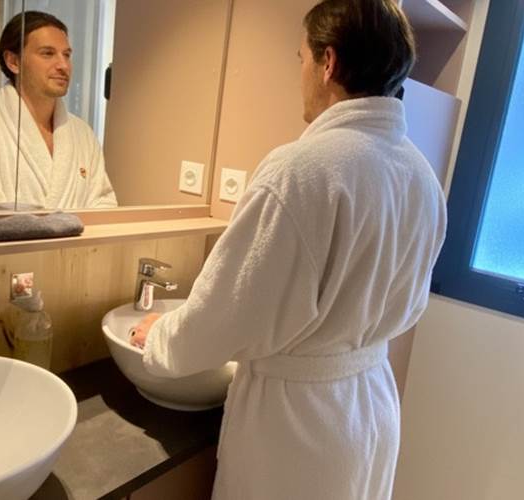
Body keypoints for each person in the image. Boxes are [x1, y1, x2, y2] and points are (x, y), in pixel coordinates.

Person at [128, 0, 446, 498]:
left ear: (329, 63)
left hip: (300, 429)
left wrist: (160, 337)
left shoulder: (302, 169)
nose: (299, 73)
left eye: (300, 58)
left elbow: (225, 316)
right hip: (371, 409)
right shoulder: (419, 175)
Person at [0, 11, 117, 209]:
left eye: (67, 55)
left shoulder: (83, 134)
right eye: (48, 53)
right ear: (13, 62)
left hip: (76, 242)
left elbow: (103, 205)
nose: (64, 65)